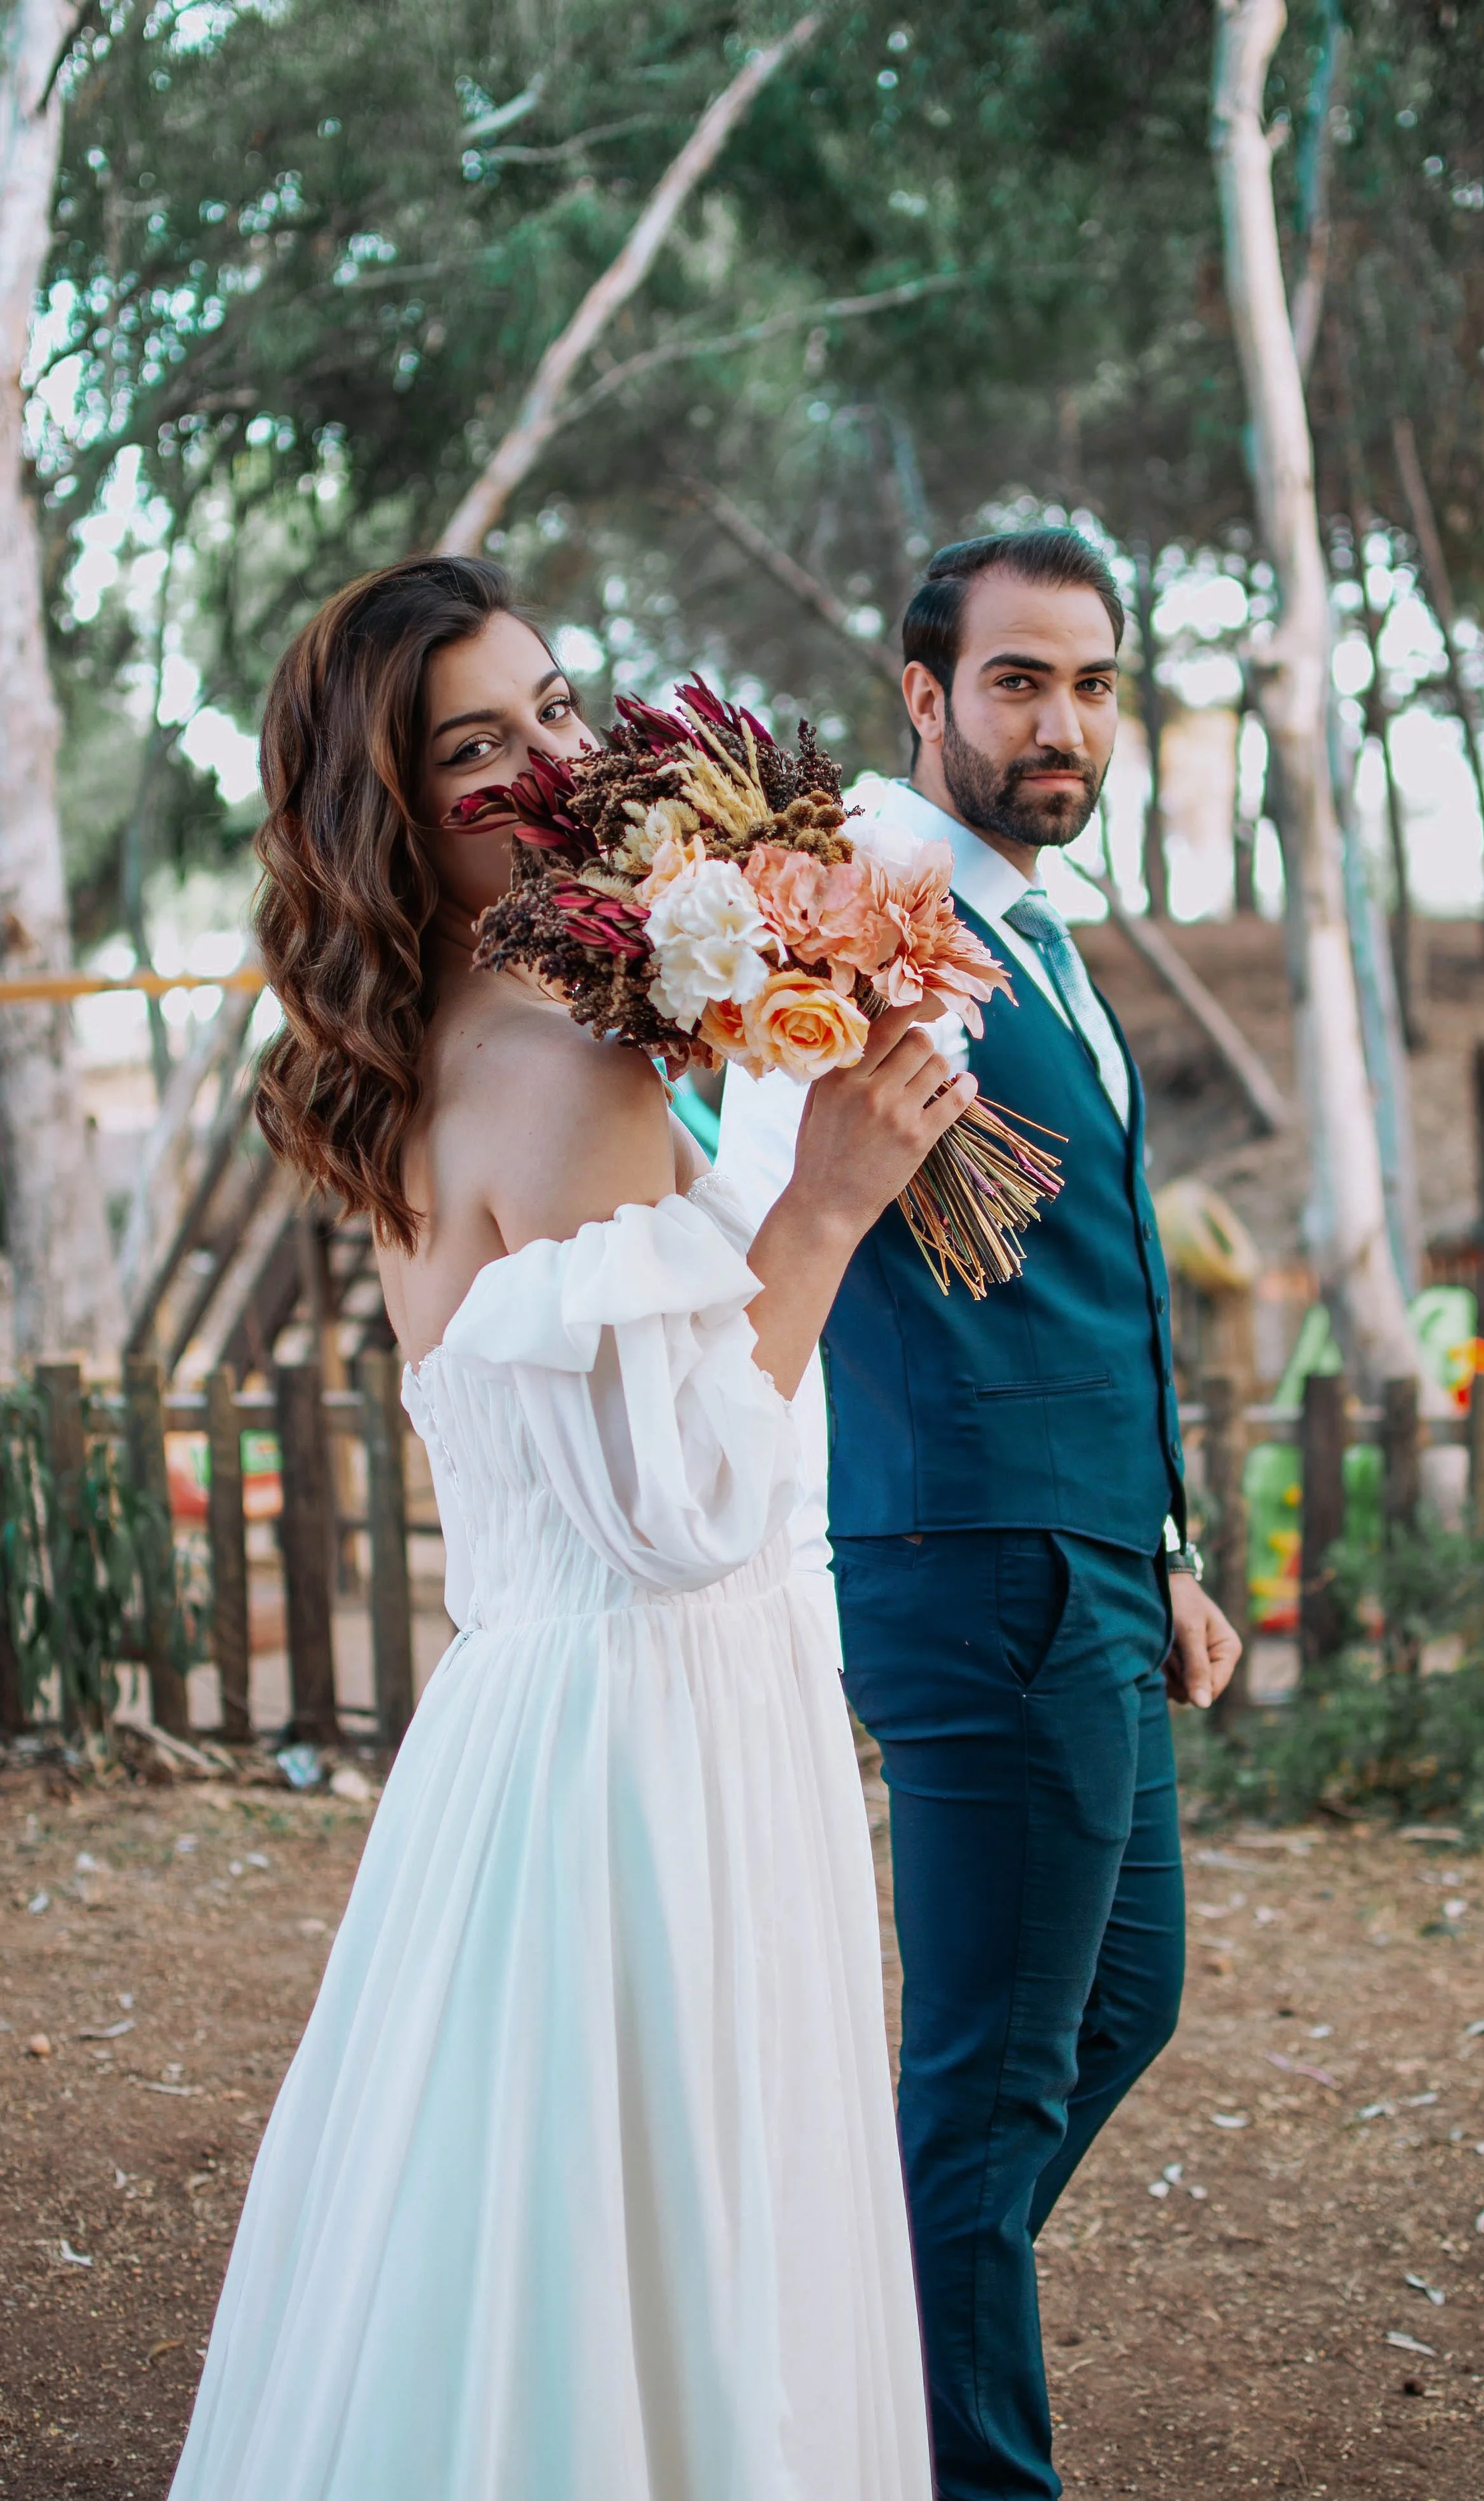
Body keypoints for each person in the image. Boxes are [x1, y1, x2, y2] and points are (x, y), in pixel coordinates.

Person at [167, 555, 951, 2501]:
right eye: (471, 744)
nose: (547, 761)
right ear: (386, 804)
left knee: (506, 2257)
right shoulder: (567, 1061)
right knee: (669, 2260)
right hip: (648, 1739)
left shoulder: (417, 1051)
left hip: (524, 1730)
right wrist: (831, 1199)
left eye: (556, 707)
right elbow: (680, 1506)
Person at [718, 527, 1243, 2501]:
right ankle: (956, 2459)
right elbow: (787, 1193)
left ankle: (870, 2310)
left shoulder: (1028, 924)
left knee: (1125, 1999)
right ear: (923, 696)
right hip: (974, 1559)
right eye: (1018, 680)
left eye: (1094, 683)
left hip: (1093, 1553)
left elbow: (1091, 1262)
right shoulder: (857, 902)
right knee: (983, 2090)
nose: (1064, 721)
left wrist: (1164, 1543)